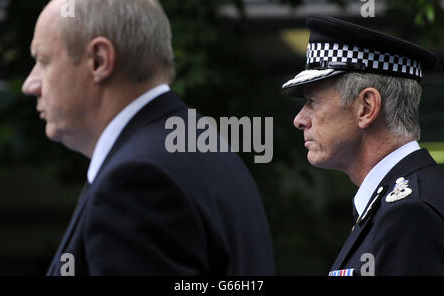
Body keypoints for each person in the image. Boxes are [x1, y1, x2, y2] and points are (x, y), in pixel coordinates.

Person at [22, 0, 275, 276]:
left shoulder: (135, 181)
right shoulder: (201, 147)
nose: (30, 85)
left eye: (43, 61)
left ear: (99, 60)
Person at [282, 14, 444, 276]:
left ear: (366, 107)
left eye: (313, 101)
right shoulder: (395, 205)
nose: (299, 119)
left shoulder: (409, 214)